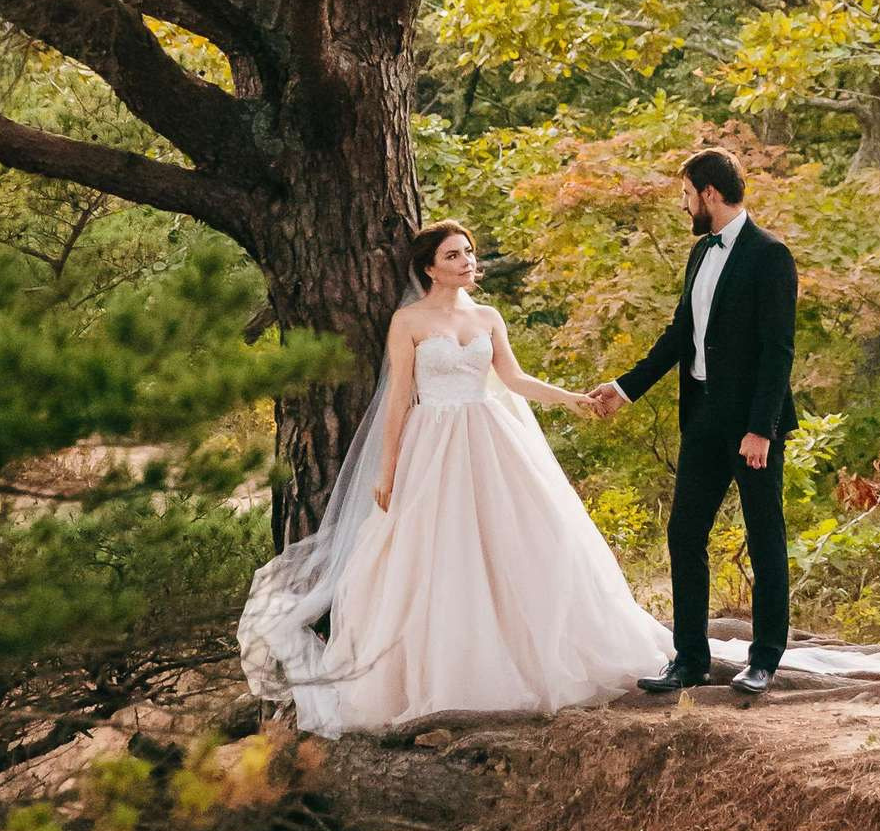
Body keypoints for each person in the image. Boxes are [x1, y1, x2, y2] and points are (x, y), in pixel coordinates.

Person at [239, 220, 668, 730]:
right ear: (429, 269)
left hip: (488, 438)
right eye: (452, 256)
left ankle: (531, 651)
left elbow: (513, 378)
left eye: (468, 252)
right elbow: (399, 398)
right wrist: (389, 467)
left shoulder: (488, 316)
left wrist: (572, 399)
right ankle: (441, 670)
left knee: (520, 540)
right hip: (432, 444)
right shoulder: (409, 322)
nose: (467, 262)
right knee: (434, 552)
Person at [590, 147, 798, 700]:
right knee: (685, 533)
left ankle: (764, 661)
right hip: (702, 417)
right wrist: (625, 387)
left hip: (754, 426)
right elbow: (680, 334)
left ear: (708, 193)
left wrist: (762, 428)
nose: (684, 206)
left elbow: (779, 352)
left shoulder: (770, 255)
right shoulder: (700, 255)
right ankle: (690, 660)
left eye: (686, 195)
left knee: (764, 537)